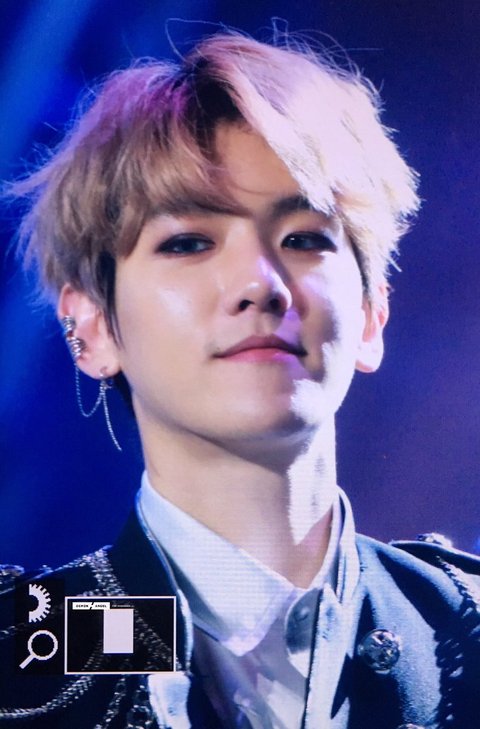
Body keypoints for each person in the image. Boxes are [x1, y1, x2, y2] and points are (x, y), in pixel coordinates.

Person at [1, 31, 479, 729]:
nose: (260, 283)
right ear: (93, 326)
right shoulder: (25, 659)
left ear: (373, 315)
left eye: (305, 238)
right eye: (188, 242)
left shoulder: (462, 630)